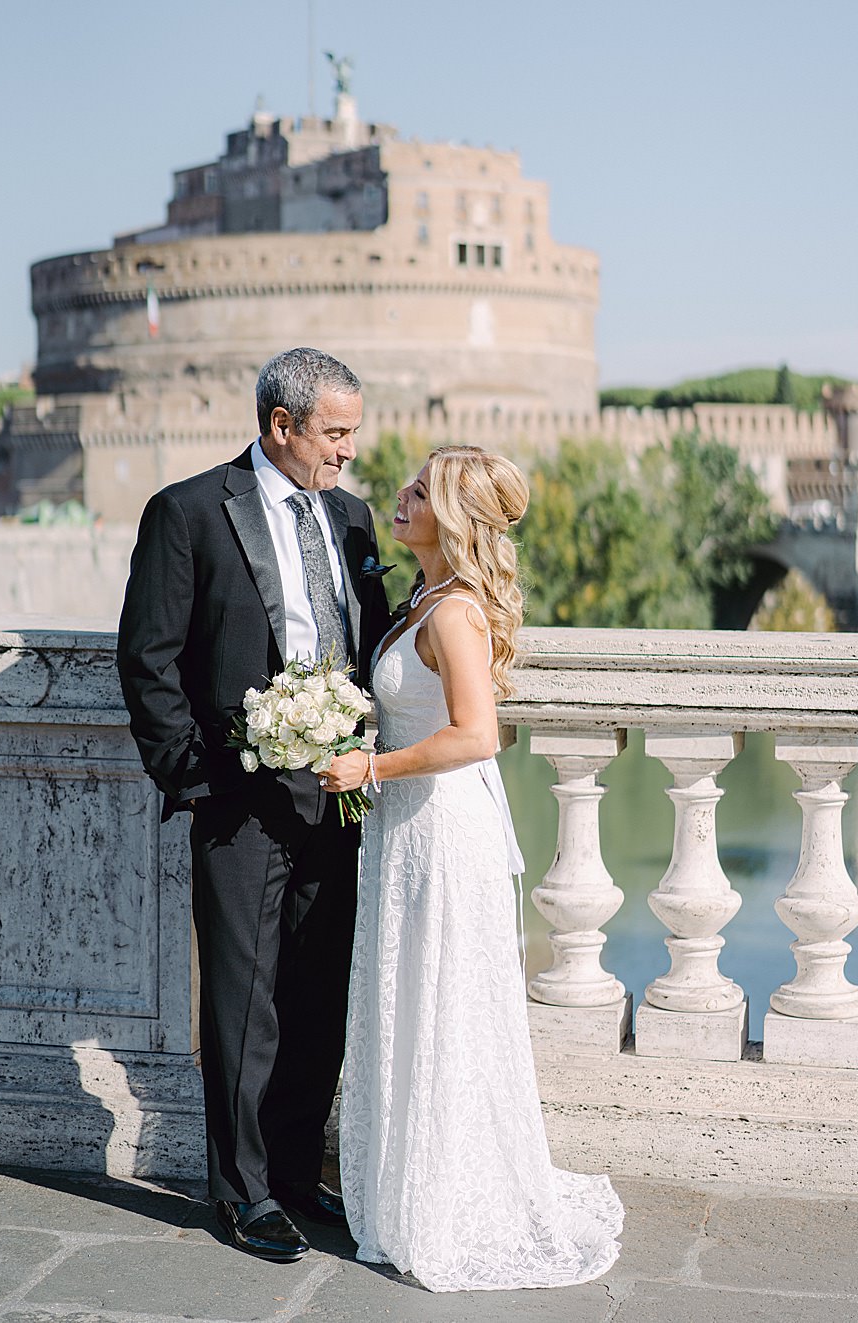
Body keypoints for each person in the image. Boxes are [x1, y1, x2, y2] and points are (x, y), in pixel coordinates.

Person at [319, 445, 622, 1291]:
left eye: (420, 491)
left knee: (439, 1000)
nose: (401, 497)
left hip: (443, 834)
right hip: (410, 833)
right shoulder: (422, 596)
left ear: (453, 515)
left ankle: (446, 1200)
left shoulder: (451, 612)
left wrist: (370, 768)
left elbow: (476, 735)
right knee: (411, 997)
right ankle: (409, 1187)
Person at [116, 346, 392, 1262]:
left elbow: (371, 637)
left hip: (342, 799)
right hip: (236, 802)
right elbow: (148, 662)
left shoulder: (351, 518)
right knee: (240, 1001)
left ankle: (291, 1169)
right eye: (337, 433)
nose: (350, 450)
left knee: (319, 995)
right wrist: (194, 780)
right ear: (283, 426)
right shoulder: (189, 512)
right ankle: (239, 1193)